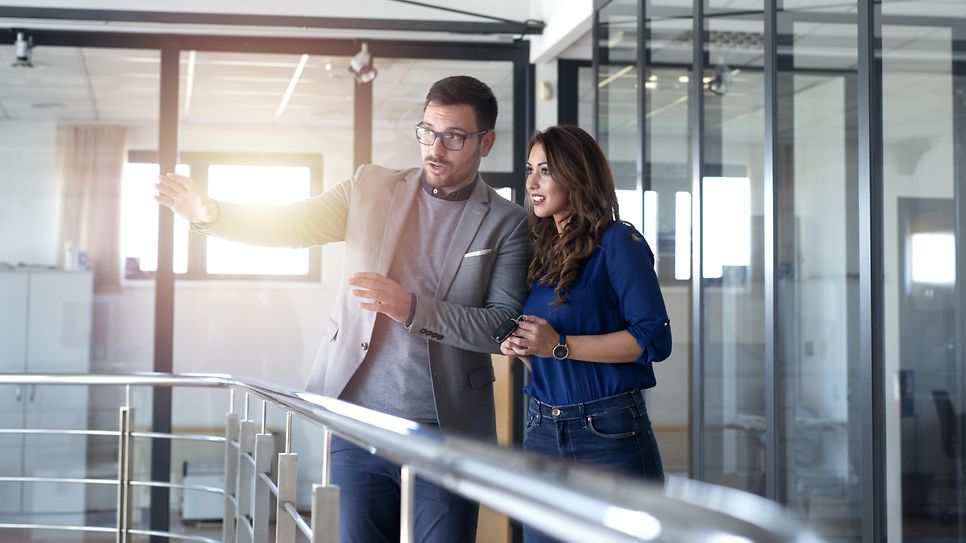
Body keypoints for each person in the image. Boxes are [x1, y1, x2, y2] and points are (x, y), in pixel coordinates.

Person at [154, 76, 530, 543]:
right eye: (427, 132)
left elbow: (501, 326)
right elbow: (292, 222)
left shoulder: (508, 223)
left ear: (485, 142)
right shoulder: (370, 187)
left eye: (453, 137)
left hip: (445, 432)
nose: (435, 148)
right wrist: (214, 215)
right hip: (357, 420)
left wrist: (411, 307)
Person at [499, 125, 672, 543]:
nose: (532, 183)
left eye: (545, 170)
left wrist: (557, 346)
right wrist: (526, 347)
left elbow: (653, 338)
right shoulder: (544, 252)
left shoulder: (619, 242)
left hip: (607, 432)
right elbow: (553, 343)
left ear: (576, 175)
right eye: (529, 170)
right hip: (542, 425)